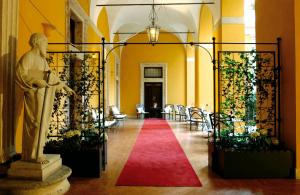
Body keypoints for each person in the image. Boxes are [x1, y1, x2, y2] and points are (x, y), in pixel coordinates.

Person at [16, 33, 75, 163]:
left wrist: (65, 86)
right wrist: (35, 80)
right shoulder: (28, 57)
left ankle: (38, 152)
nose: (47, 47)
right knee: (36, 123)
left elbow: (51, 77)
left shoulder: (42, 60)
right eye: (45, 43)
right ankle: (32, 154)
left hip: (43, 95)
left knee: (42, 123)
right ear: (37, 42)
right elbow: (20, 75)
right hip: (34, 95)